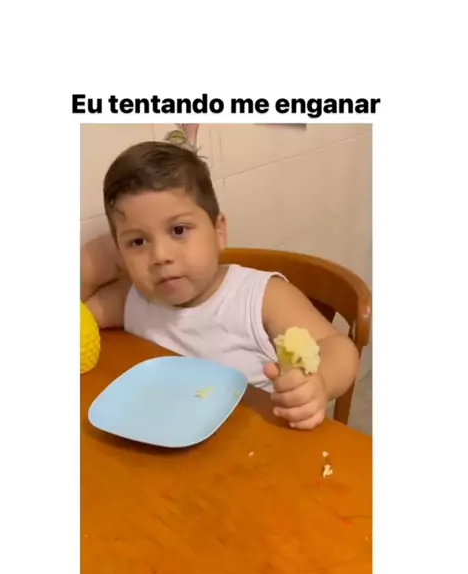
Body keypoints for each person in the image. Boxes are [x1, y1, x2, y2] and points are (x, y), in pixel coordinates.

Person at [81, 126, 359, 430]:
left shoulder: (261, 297)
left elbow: (338, 347)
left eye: (178, 230)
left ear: (218, 232)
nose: (160, 255)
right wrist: (99, 257)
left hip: (260, 440)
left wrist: (320, 382)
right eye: (137, 241)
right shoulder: (132, 298)